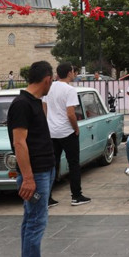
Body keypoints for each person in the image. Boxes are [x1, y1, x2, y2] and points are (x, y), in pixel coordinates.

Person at [7, 60, 60, 257]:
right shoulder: (21, 104)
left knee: (31, 220)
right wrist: (28, 178)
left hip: (43, 169)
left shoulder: (35, 102)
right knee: (36, 222)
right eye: (52, 81)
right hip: (35, 174)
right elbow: (19, 143)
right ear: (47, 79)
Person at [43, 62, 90, 208]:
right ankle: (76, 196)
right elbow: (70, 113)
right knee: (73, 164)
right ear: (70, 73)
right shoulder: (70, 90)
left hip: (52, 132)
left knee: (52, 165)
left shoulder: (50, 87)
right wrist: (76, 128)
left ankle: (48, 198)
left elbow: (44, 108)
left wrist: (48, 125)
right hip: (66, 131)